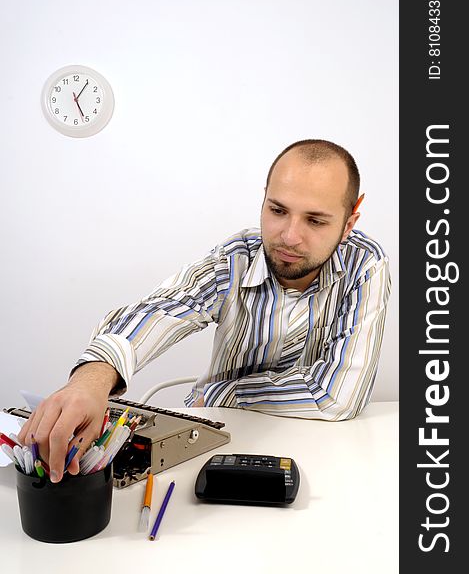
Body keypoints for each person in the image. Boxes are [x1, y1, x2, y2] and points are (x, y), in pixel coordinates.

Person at [18, 139, 391, 482]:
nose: (290, 236)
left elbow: (337, 396)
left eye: (315, 220)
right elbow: (164, 308)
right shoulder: (236, 257)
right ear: (264, 198)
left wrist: (220, 393)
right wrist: (91, 381)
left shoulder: (367, 266)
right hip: (225, 441)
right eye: (277, 210)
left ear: (350, 221)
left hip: (329, 456)